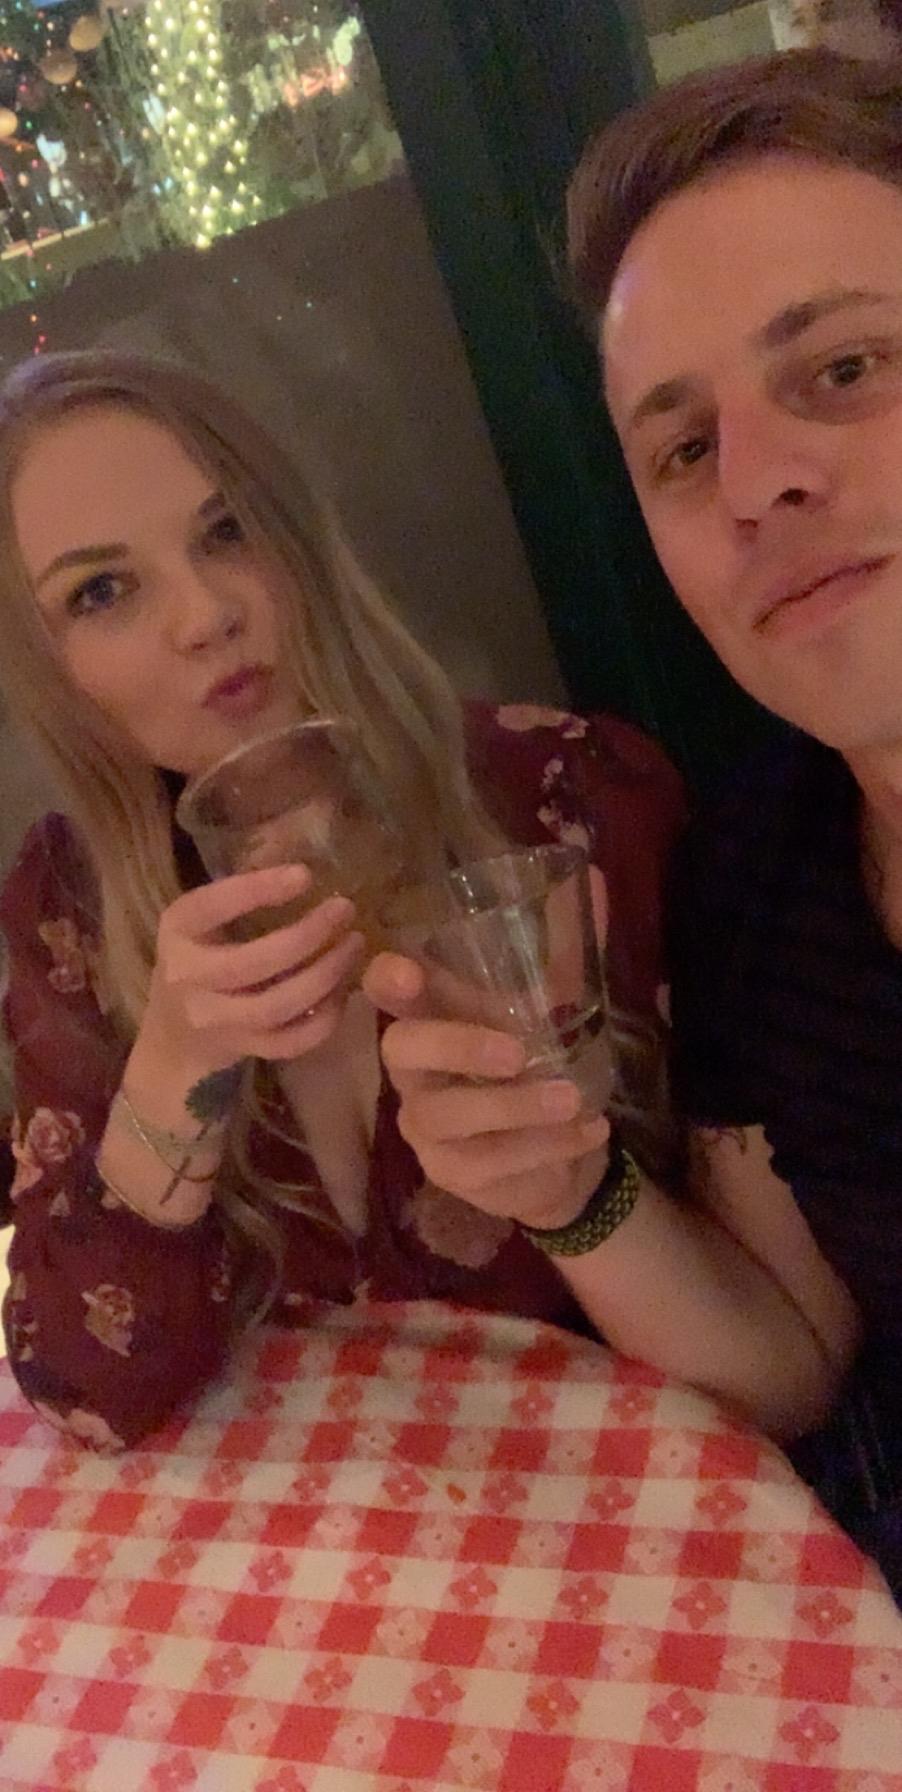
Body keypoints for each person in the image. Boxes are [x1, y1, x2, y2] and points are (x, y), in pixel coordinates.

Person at [0, 346, 695, 1452]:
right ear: (48, 671)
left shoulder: (572, 797)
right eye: (102, 592)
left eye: (228, 530)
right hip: (313, 1531)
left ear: (300, 539)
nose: (205, 615)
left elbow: (778, 1339)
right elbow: (92, 1394)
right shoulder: (67, 912)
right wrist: (176, 1066)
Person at [561, 45, 902, 1592]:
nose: (753, 485)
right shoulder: (757, 872)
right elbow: (792, 1356)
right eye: (683, 449)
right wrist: (563, 1186)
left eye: (841, 368)